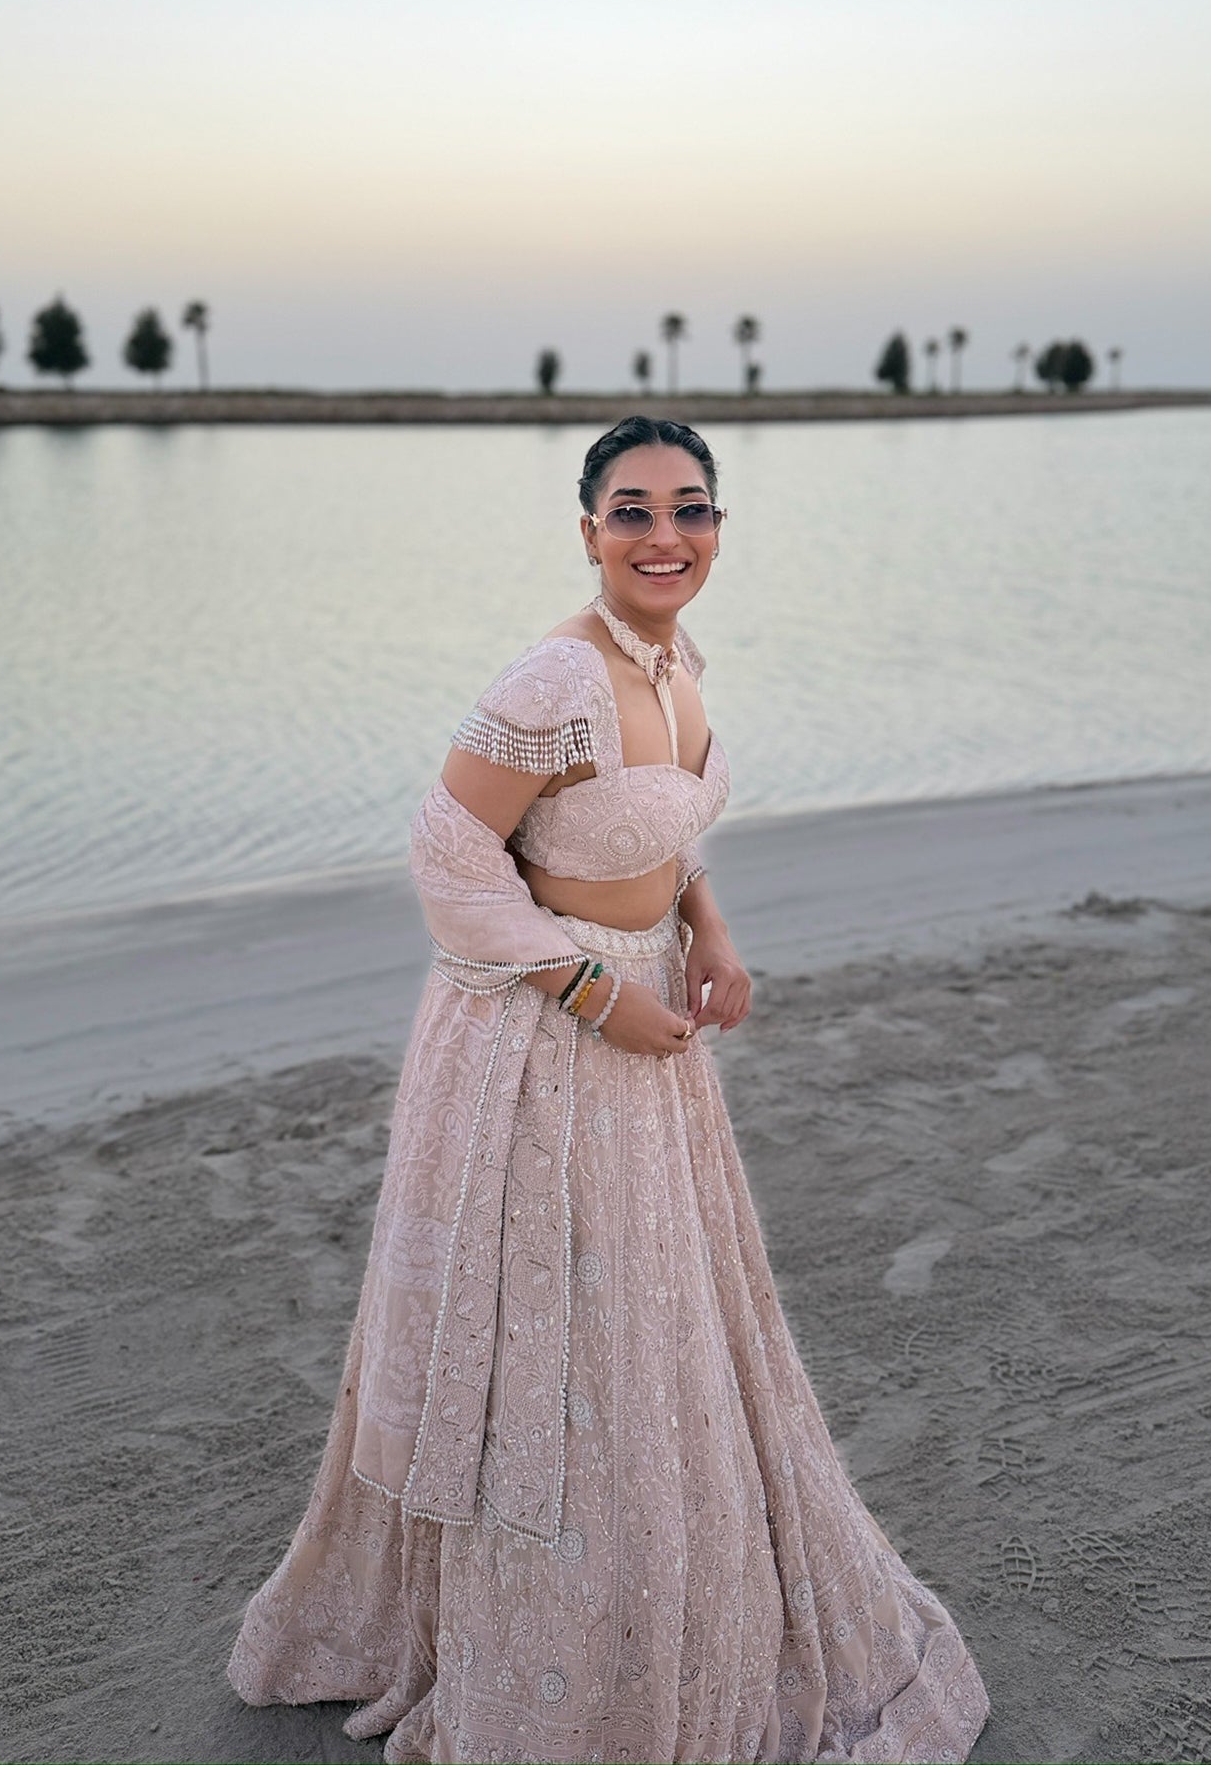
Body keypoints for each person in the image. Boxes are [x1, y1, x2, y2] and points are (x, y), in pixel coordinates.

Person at [227, 415, 991, 1763]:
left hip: (645, 1023)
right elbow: (449, 847)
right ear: (587, 531)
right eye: (631, 511)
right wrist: (590, 991)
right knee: (570, 1335)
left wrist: (711, 931)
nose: (664, 535)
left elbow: (666, 825)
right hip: (537, 1039)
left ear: (718, 528)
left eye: (690, 509)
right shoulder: (551, 681)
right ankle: (555, 1635)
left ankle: (669, 1579)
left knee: (653, 1320)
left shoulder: (682, 660)